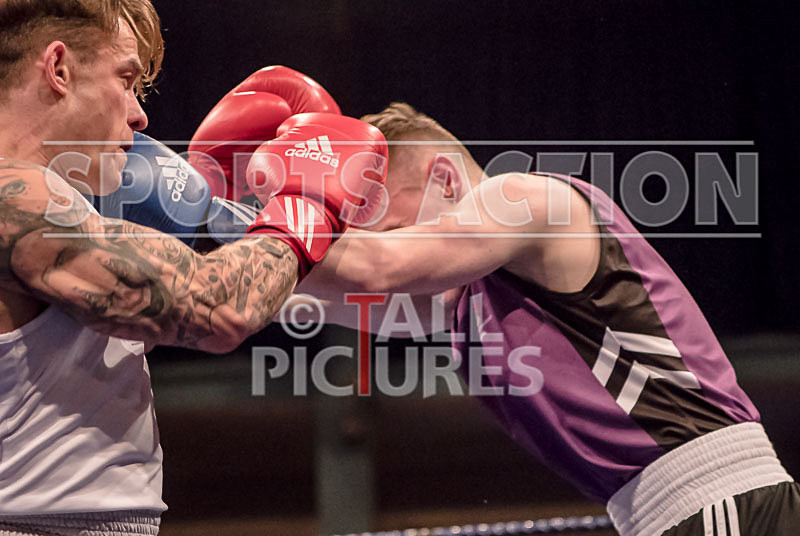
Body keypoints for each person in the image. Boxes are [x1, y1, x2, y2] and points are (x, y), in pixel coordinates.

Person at [295, 102, 800, 535]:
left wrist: (277, 220)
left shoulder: (526, 200)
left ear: (445, 179)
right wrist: (247, 218)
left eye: (396, 229)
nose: (397, 244)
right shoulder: (461, 300)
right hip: (675, 514)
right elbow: (303, 293)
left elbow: (378, 265)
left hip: (719, 499)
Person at [0, 1, 385, 533]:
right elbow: (219, 309)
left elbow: (375, 272)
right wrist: (306, 204)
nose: (139, 115)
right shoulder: (14, 202)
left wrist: (222, 213)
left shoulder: (73, 207)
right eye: (125, 80)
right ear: (59, 69)